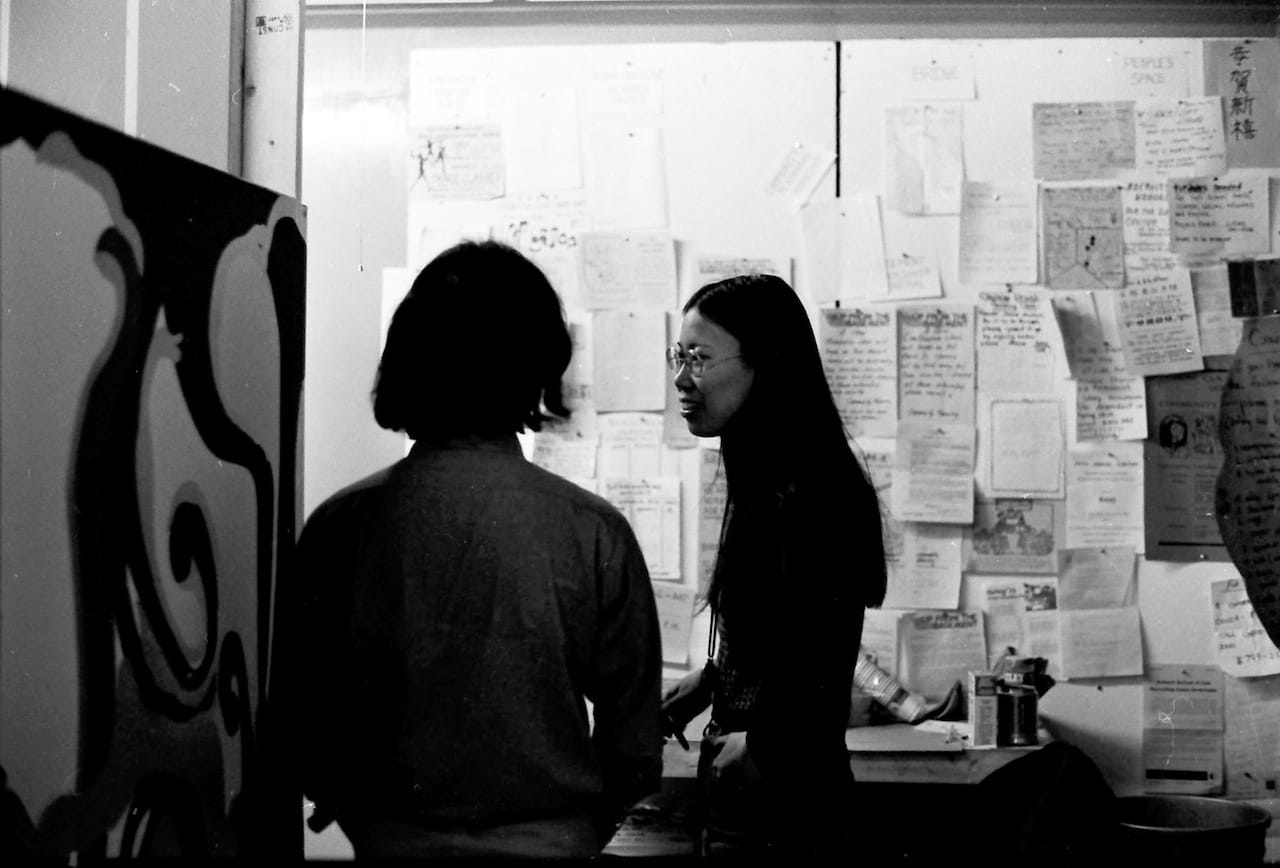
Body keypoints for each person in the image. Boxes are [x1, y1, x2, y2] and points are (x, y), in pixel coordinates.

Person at [291, 240, 664, 859]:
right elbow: (634, 745)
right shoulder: (593, 530)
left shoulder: (341, 525)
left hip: (391, 842)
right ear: (536, 363)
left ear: (408, 358)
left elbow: (303, 721)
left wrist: (363, 813)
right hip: (555, 841)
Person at [660, 274, 888, 857]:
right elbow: (781, 627)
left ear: (765, 363)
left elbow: (822, 645)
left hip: (780, 804)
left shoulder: (811, 490)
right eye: (679, 356)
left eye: (700, 359)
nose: (682, 378)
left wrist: (765, 746)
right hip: (760, 789)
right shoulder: (768, 476)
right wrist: (712, 680)